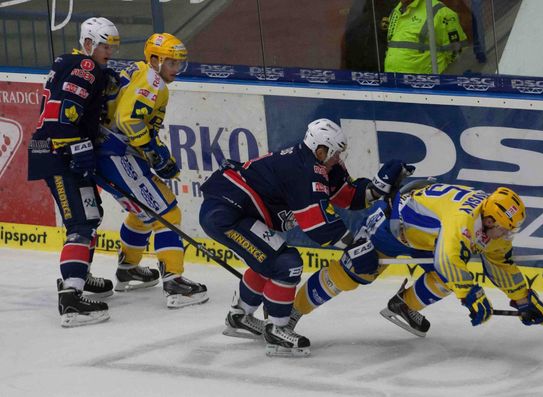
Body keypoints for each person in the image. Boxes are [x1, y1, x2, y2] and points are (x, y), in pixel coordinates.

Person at [199, 118, 413, 357]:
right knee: (286, 264)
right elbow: (318, 226)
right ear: (321, 150)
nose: (338, 159)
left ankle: (240, 316)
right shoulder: (306, 171)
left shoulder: (320, 164)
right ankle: (277, 330)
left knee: (268, 261)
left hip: (234, 210)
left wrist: (377, 188)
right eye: (335, 154)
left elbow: (348, 196)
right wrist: (354, 245)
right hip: (226, 213)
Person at [290, 182, 543, 336]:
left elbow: (499, 263)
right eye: (504, 228)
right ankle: (292, 311)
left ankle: (404, 305)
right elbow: (449, 260)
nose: (507, 234)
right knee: (353, 274)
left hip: (426, 238)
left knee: (448, 279)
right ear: (490, 219)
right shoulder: (463, 220)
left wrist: (522, 299)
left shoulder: (493, 223)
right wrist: (471, 296)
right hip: (392, 226)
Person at [95, 33, 208, 309]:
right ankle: (174, 281)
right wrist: (155, 154)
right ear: (155, 59)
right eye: (171, 63)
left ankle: (128, 269)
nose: (176, 69)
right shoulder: (152, 81)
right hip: (117, 154)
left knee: (143, 211)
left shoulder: (140, 71)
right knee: (166, 212)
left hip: (109, 153)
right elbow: (128, 120)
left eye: (180, 63)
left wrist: (154, 153)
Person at [27, 17, 120, 327]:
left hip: (54, 149)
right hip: (58, 151)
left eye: (112, 46)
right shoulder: (86, 67)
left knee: (91, 216)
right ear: (89, 43)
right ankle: (71, 296)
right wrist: (75, 149)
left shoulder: (72, 63)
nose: (110, 52)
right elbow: (66, 112)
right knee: (80, 223)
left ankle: (80, 273)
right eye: (105, 46)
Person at [384, 0, 468, 74]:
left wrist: (442, 85)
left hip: (424, 87)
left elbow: (458, 56)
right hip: (393, 85)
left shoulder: (440, 12)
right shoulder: (396, 11)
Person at [342, 0, 398, 71]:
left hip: (384, 70)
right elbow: (347, 39)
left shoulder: (395, 8)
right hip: (356, 70)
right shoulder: (358, 8)